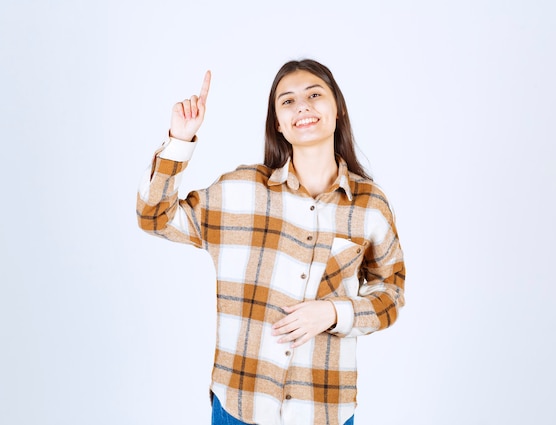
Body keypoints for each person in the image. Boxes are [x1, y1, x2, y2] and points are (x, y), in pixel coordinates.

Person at [137, 59, 406, 425]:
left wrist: (334, 313)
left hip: (325, 410)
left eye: (314, 94)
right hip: (239, 406)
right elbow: (155, 218)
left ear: (337, 108)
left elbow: (390, 294)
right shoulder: (241, 191)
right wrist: (179, 140)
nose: (303, 107)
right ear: (278, 123)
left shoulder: (370, 205)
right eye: (288, 101)